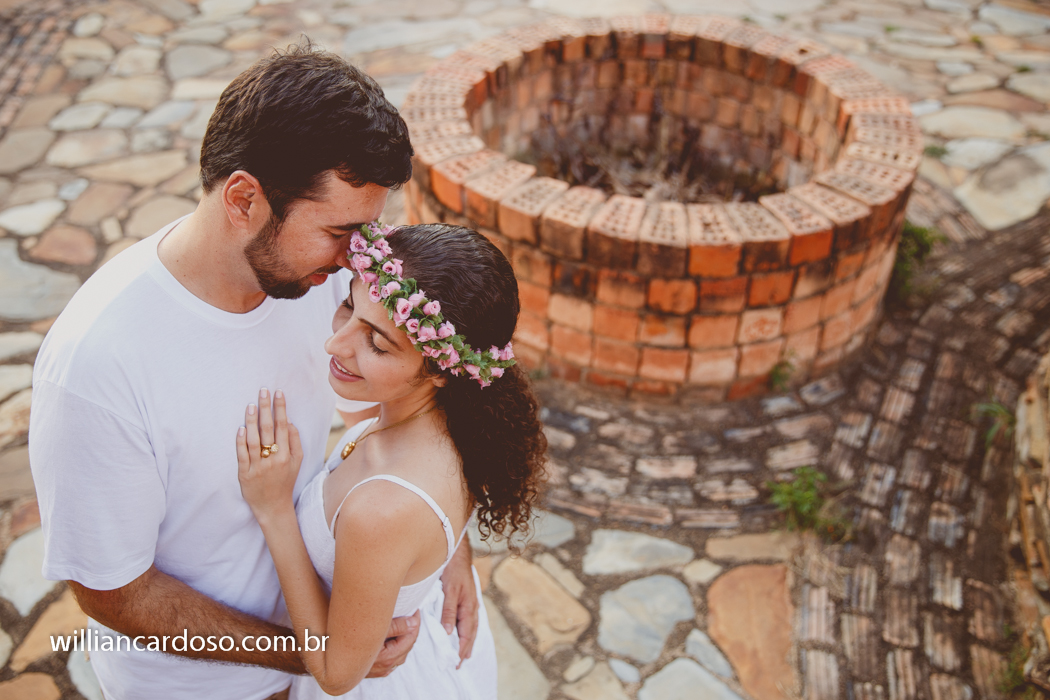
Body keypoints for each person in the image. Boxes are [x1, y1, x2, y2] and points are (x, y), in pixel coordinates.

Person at [28, 44, 481, 700]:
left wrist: (446, 546)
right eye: (340, 232)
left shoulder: (325, 278)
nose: (357, 257)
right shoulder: (97, 367)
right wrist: (315, 652)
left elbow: (394, 399)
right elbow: (115, 592)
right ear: (243, 199)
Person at [236, 222, 547, 698]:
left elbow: (337, 673)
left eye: (378, 343)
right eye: (348, 306)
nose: (336, 344)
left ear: (442, 371)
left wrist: (274, 509)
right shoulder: (458, 422)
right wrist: (450, 560)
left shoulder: (382, 509)